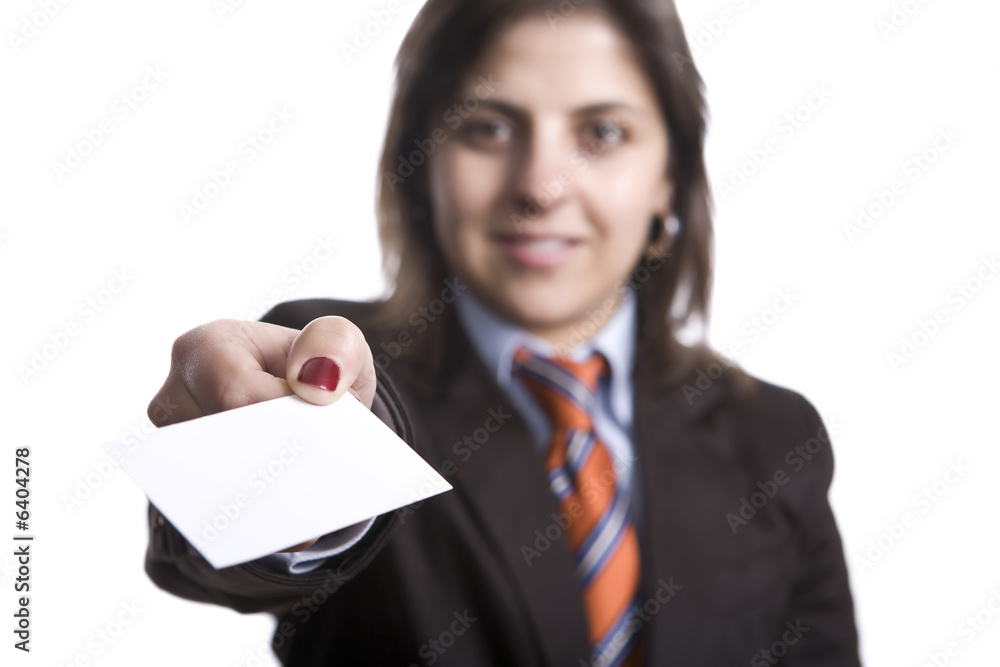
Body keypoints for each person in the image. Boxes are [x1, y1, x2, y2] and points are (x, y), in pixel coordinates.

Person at [143, 1, 861, 665]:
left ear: (669, 177)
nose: (541, 186)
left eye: (603, 133)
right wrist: (287, 465)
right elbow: (223, 551)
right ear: (424, 165)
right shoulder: (336, 368)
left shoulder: (776, 437)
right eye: (488, 128)